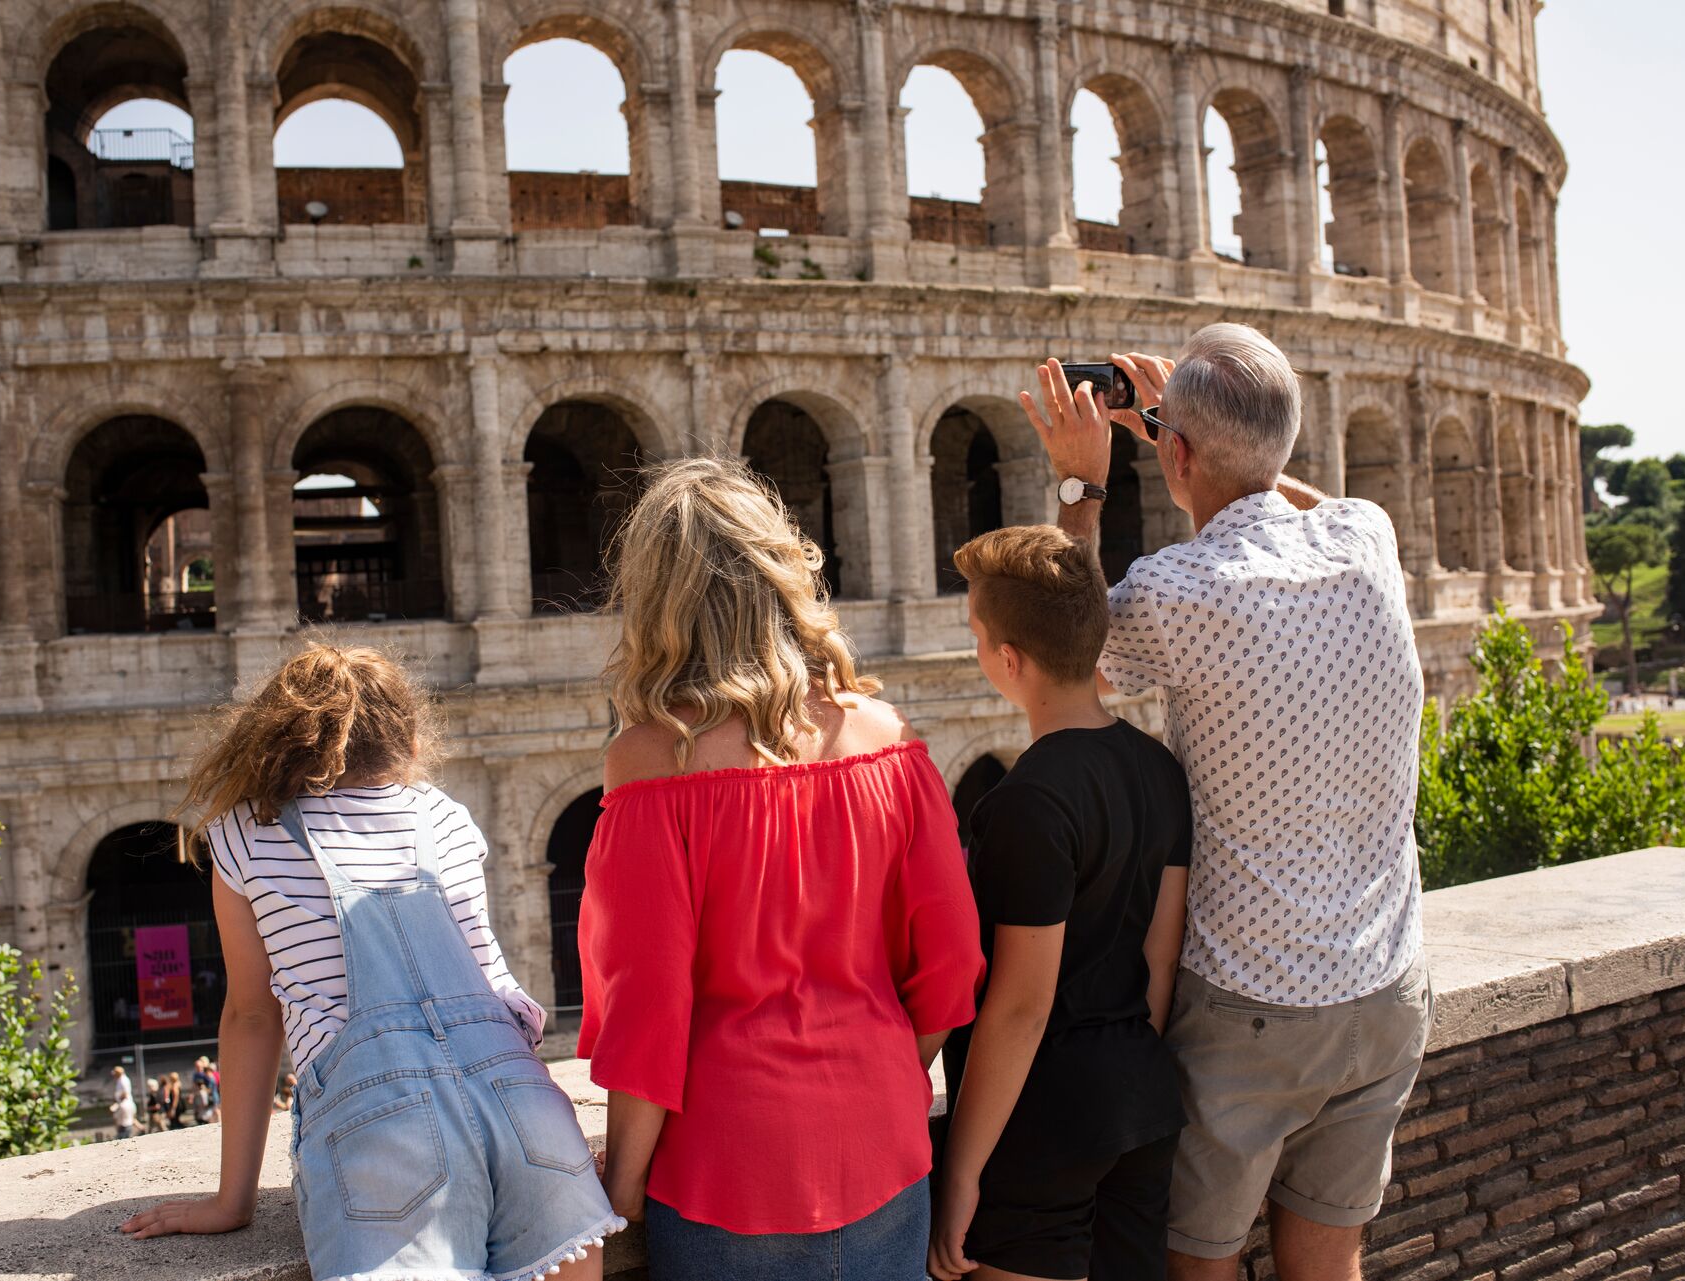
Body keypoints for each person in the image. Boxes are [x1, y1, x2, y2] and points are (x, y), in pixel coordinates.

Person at [1022, 325, 1430, 1281]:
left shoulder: (1176, 591)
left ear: (1178, 454)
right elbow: (1290, 493)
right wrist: (1194, 434)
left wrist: (1084, 486)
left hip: (1254, 999)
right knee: (1329, 1260)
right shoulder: (1366, 535)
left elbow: (1067, 657)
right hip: (1385, 985)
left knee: (1195, 1259)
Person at [578, 457, 986, 1281]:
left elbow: (648, 1004)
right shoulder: (886, 738)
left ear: (657, 599)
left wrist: (618, 1188)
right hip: (885, 1149)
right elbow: (951, 962)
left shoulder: (651, 762)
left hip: (726, 1165)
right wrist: (881, 1083)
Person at [122, 643, 621, 1281]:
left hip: (382, 1126)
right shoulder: (443, 816)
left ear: (273, 740)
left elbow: (252, 1017)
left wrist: (232, 1201)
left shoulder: (243, 833)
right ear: (408, 740)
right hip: (526, 1107)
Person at [929, 525, 1191, 1281]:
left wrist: (963, 1170)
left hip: (1041, 1119)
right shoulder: (1159, 768)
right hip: (1142, 1104)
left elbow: (1021, 1005)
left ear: (1008, 660)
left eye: (980, 638)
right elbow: (1160, 957)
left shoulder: (1026, 802)